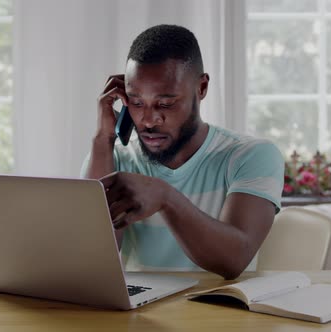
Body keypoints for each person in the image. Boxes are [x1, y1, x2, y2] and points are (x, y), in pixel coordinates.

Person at [82, 24, 283, 280]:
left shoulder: (250, 155)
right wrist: (103, 139)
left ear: (201, 88)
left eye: (165, 103)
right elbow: (93, 256)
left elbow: (234, 260)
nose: (148, 120)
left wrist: (166, 197)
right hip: (140, 313)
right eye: (136, 102)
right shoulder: (115, 157)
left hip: (223, 311)